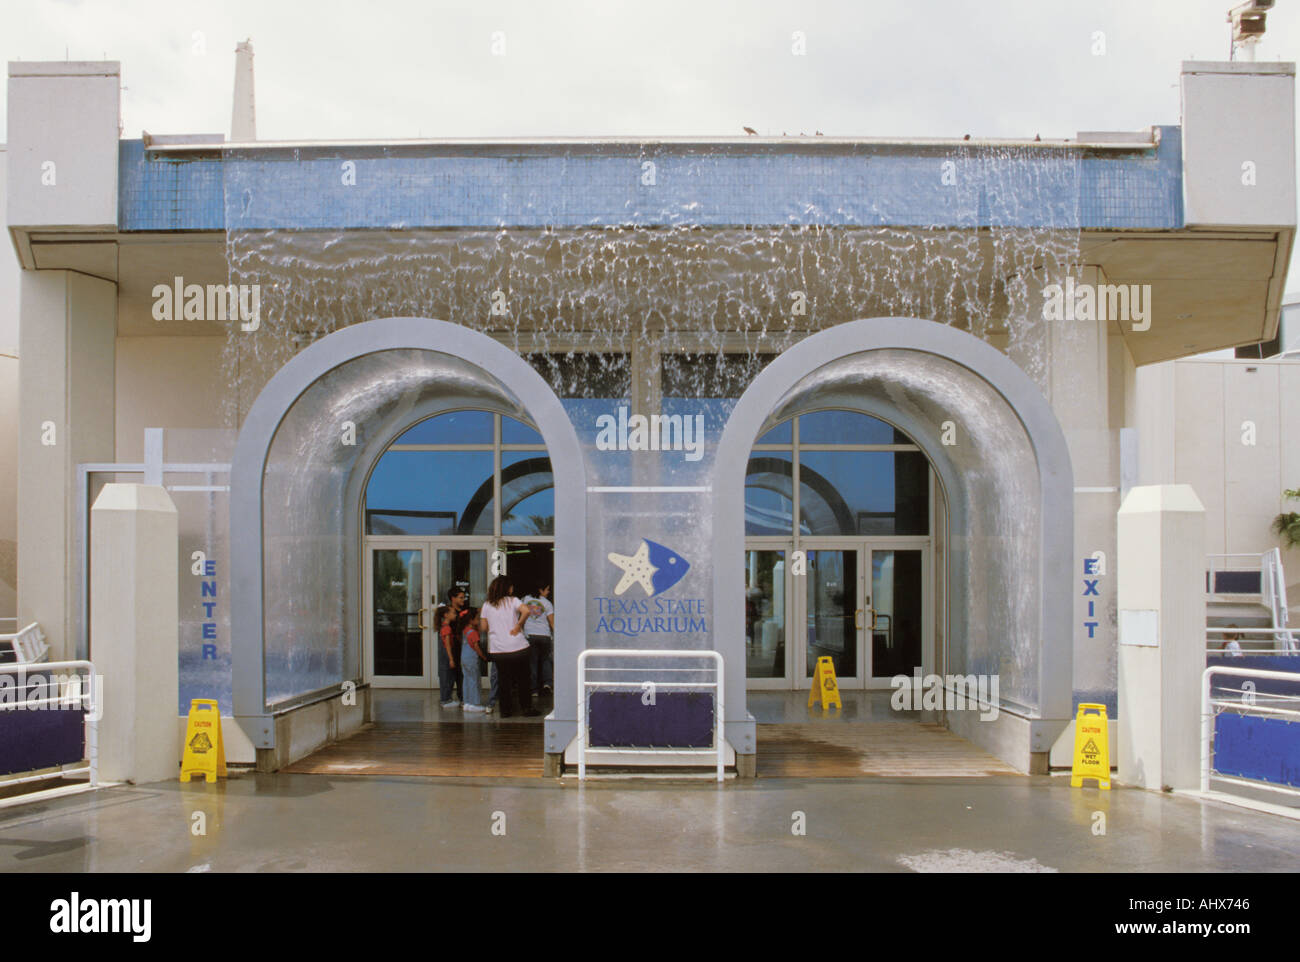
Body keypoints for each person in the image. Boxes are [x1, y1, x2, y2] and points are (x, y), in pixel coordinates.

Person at [479, 575, 539, 718]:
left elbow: (483, 627)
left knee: (503, 680)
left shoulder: (487, 605)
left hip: (498, 649)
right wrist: (518, 625)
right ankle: (526, 708)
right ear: (507, 588)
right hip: (518, 646)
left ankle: (506, 711)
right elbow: (527, 611)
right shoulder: (513, 601)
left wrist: (495, 631)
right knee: (523, 678)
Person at [522, 583, 555, 697]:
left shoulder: (525, 600)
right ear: (540, 590)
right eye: (547, 590)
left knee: (533, 662)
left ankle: (534, 689)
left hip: (530, 635)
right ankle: (547, 684)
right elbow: (552, 622)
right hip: (544, 636)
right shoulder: (547, 603)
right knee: (546, 660)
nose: (548, 592)